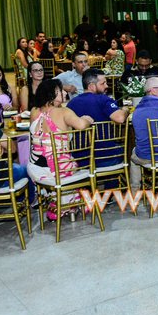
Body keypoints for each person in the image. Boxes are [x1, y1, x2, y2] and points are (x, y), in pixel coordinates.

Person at [28, 79, 94, 218]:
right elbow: (81, 125)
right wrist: (87, 120)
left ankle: (58, 205)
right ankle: (74, 204)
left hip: (35, 168)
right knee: (73, 164)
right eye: (60, 91)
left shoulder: (34, 111)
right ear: (51, 94)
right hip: (58, 169)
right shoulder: (64, 112)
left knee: (65, 164)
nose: (65, 93)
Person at [66, 68, 128, 168]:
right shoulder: (103, 99)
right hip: (106, 157)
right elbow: (120, 118)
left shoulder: (71, 104)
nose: (106, 86)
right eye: (103, 83)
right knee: (127, 149)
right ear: (91, 86)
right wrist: (125, 110)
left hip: (80, 159)